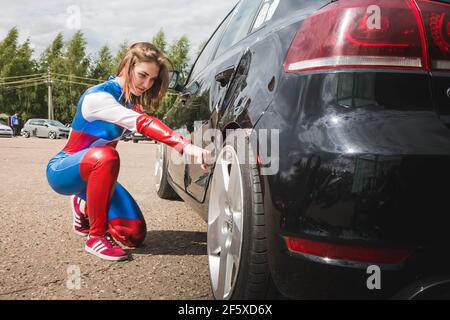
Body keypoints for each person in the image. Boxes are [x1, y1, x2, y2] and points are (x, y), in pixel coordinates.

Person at [46, 42, 210, 261]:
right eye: (142, 75)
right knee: (107, 155)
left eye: (152, 79)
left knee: (133, 235)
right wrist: (183, 145)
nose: (146, 84)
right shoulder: (98, 97)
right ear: (127, 66)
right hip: (64, 170)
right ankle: (96, 237)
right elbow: (142, 123)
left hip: (96, 173)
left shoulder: (130, 102)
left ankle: (84, 203)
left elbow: (152, 123)